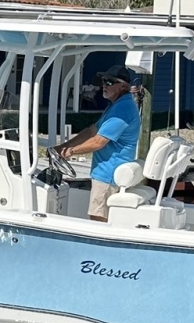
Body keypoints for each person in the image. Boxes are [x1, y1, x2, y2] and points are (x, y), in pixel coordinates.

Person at [57, 64, 142, 221]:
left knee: (98, 220)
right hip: (105, 173)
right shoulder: (117, 105)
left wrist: (70, 152)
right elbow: (92, 131)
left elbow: (98, 142)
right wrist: (64, 146)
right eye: (103, 81)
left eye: (109, 82)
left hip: (108, 175)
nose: (104, 85)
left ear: (123, 86)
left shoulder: (122, 110)